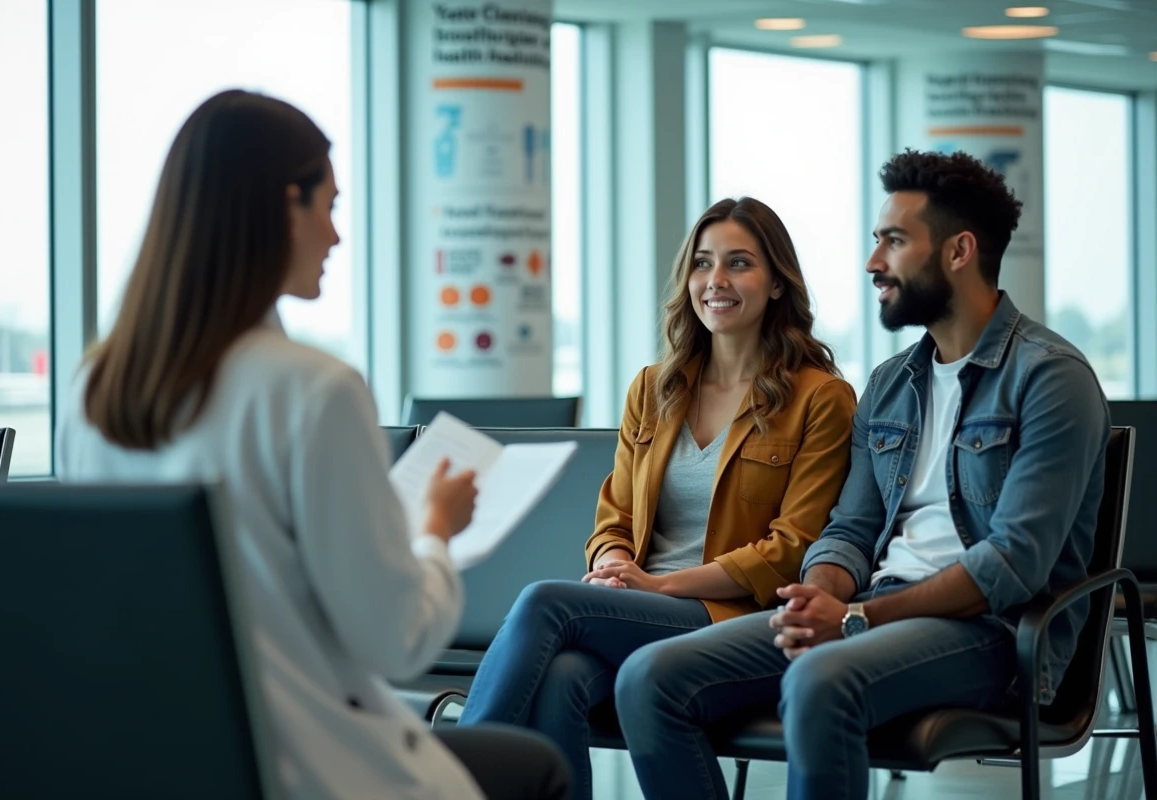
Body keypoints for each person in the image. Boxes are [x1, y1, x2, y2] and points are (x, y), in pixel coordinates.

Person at [56, 89, 570, 800]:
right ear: (283, 207)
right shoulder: (315, 391)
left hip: (164, 763)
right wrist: (435, 530)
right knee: (538, 771)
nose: (335, 236)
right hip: (312, 768)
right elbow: (398, 640)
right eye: (328, 207)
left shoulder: (91, 395)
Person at [612, 149, 1112, 799]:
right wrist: (818, 595)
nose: (874, 261)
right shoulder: (892, 383)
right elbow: (850, 529)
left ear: (959, 252)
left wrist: (855, 619)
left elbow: (1011, 565)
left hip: (993, 636)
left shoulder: (1050, 379)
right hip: (870, 614)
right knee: (647, 678)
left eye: (894, 241)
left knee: (820, 681)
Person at [456, 197, 857, 799]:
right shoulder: (654, 388)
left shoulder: (820, 398)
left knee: (545, 601)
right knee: (562, 677)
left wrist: (660, 586)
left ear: (777, 283)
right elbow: (613, 518)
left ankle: (450, 781)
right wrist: (615, 566)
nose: (715, 280)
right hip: (637, 605)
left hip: (732, 616)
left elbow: (791, 549)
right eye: (702, 263)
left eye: (739, 263)